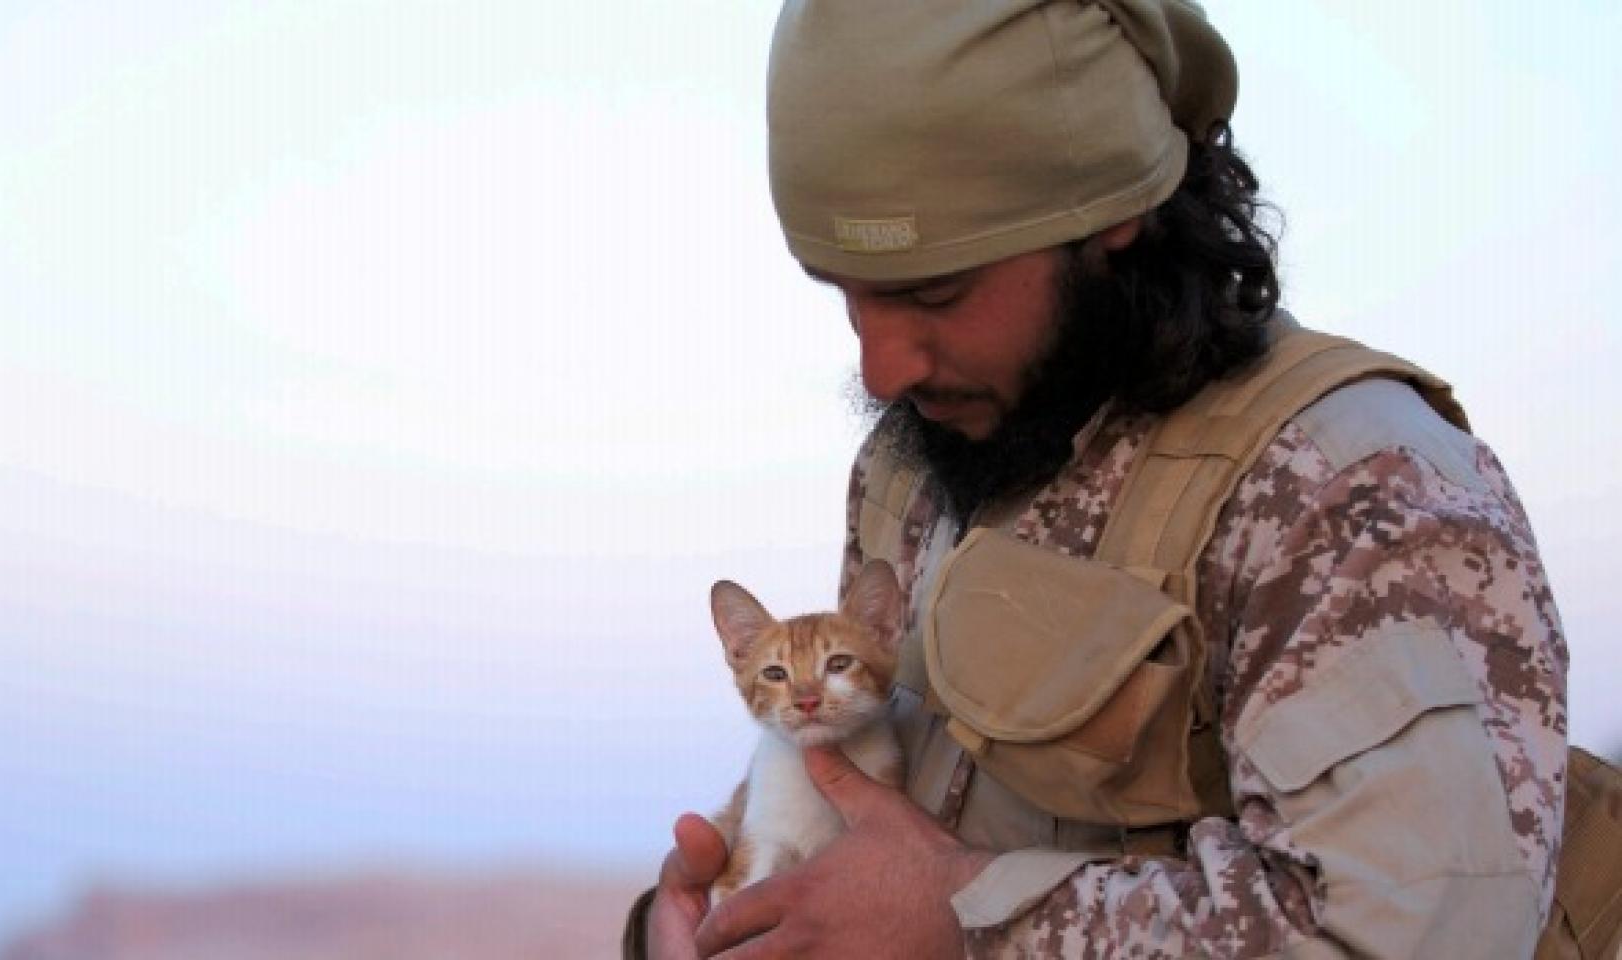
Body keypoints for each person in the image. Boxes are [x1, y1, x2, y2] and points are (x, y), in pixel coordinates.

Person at [631, 1, 1570, 956]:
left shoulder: (1353, 484)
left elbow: (1419, 934)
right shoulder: (919, 460)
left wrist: (970, 924)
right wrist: (712, 929)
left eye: (933, 292)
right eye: (846, 295)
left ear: (1108, 217)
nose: (883, 369)